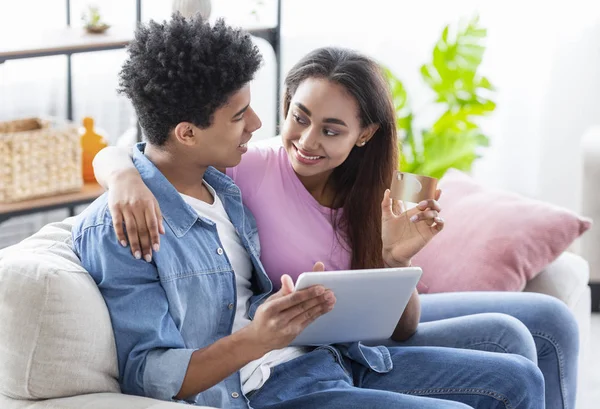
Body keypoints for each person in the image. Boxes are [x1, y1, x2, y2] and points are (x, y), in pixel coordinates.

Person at [77, 14, 546, 409]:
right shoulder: (130, 222)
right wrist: (120, 176)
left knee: (518, 376)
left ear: (364, 135)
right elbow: (148, 375)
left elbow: (401, 326)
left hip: (329, 353)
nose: (262, 126)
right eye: (242, 115)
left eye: (332, 129)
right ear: (187, 133)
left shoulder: (222, 186)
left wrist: (394, 261)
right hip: (269, 385)